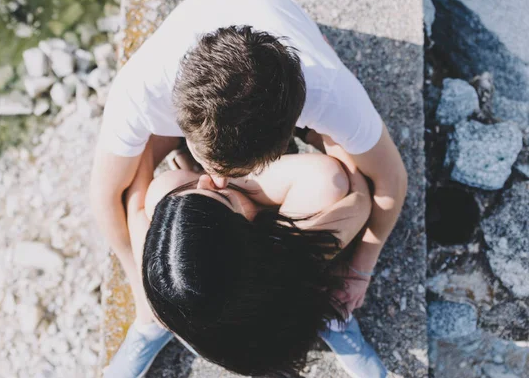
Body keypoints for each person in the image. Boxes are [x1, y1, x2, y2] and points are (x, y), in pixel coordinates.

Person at [90, 0, 407, 376]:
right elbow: (107, 197)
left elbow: (389, 180)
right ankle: (155, 317)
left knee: (334, 183)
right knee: (161, 229)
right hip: (197, 103)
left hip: (288, 89)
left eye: (231, 171)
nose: (217, 180)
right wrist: (144, 291)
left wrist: (358, 269)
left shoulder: (327, 91)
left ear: (287, 137)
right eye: (212, 167)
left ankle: (309, 296)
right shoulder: (141, 91)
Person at [103, 138, 385, 377]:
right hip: (225, 300)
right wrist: (148, 300)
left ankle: (323, 311)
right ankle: (153, 319)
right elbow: (358, 201)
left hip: (267, 256)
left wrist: (226, 174)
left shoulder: (282, 258)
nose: (204, 180)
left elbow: (358, 199)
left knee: (329, 183)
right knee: (164, 194)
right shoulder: (173, 192)